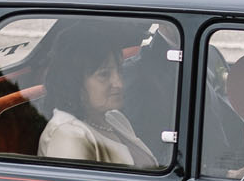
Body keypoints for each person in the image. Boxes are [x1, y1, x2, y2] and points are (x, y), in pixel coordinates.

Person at [37, 24, 158, 167]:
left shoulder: (115, 118)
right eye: (104, 74)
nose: (118, 83)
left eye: (119, 71)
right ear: (74, 81)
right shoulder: (68, 134)